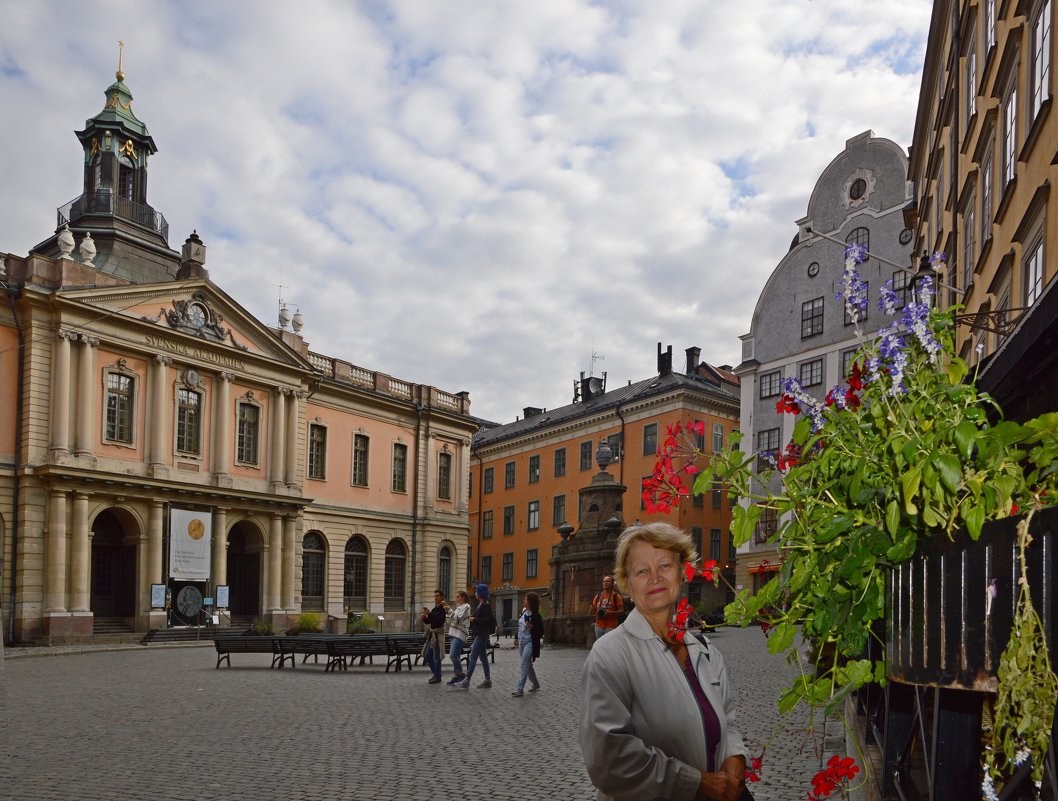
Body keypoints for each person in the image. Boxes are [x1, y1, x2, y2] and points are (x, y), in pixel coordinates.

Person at [579, 523, 749, 801]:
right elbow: (608, 760)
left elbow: (727, 721)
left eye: (665, 565)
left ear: (682, 572)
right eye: (642, 570)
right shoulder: (610, 655)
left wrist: (735, 755)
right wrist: (696, 782)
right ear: (628, 583)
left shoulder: (704, 651)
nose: (655, 577)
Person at [459, 583, 495, 689]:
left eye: (476, 591)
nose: (475, 593)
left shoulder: (485, 605)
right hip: (479, 633)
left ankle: (467, 680)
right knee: (483, 657)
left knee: (473, 656)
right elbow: (477, 616)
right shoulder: (480, 605)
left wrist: (474, 619)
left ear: (480, 593)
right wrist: (471, 617)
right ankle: (487, 680)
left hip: (481, 634)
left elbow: (486, 621)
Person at [512, 591, 544, 697]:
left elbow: (541, 631)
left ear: (531, 602)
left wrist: (532, 627)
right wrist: (516, 638)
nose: (524, 601)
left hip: (530, 642)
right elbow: (520, 626)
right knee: (528, 665)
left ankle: (520, 688)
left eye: (526, 599)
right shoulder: (524, 611)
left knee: (524, 663)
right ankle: (535, 683)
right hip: (522, 641)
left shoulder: (536, 615)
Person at [420, 590, 448, 685]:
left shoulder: (443, 608)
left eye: (437, 596)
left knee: (436, 657)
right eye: (435, 596)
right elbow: (430, 621)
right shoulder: (435, 609)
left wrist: (429, 614)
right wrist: (425, 618)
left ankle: (437, 676)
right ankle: (437, 674)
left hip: (438, 635)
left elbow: (440, 620)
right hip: (432, 635)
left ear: (442, 597)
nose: (435, 598)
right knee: (427, 656)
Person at [445, 590, 472, 686]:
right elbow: (449, 620)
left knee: (453, 655)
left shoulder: (466, 606)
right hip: (453, 633)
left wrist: (450, 611)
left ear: (463, 597)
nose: (456, 599)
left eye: (458, 597)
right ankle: (456, 676)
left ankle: (461, 675)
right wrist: (448, 611)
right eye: (456, 597)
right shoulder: (457, 608)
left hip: (460, 634)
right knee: (455, 656)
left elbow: (458, 619)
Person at [590, 574, 624, 640]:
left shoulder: (616, 596)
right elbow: (592, 612)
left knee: (608, 647)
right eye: (604, 581)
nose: (605, 583)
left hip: (610, 627)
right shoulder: (598, 596)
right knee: (600, 647)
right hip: (598, 626)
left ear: (612, 584)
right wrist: (591, 609)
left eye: (608, 581)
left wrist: (610, 612)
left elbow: (622, 611)